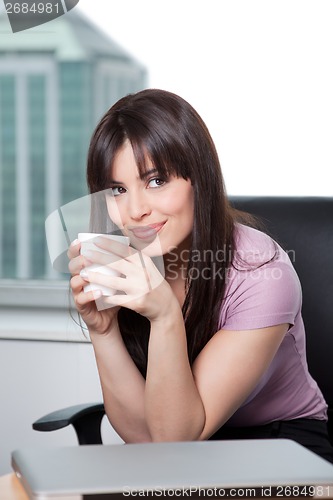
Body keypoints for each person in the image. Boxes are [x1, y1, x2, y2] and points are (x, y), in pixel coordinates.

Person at [68, 88, 333, 463]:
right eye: (117, 189)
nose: (135, 210)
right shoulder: (131, 267)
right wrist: (104, 331)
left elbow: (174, 440)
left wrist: (164, 316)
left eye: (156, 181)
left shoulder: (261, 271)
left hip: (282, 446)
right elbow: (147, 440)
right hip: (181, 445)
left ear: (199, 179)